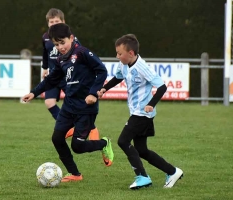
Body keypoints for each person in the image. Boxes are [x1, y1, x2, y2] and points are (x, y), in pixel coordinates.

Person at [22, 23, 114, 182]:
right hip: (68, 107)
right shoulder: (60, 59)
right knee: (57, 139)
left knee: (77, 147)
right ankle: (75, 174)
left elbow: (102, 71)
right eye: (57, 44)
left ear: (71, 38)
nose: (60, 47)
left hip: (86, 108)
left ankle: (103, 143)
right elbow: (51, 80)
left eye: (62, 42)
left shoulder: (83, 53)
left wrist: (93, 93)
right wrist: (34, 92)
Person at [97, 34, 183, 189]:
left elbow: (162, 87)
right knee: (141, 150)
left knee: (123, 141)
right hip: (136, 112)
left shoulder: (143, 67)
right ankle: (173, 171)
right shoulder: (123, 65)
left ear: (131, 53)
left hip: (142, 113)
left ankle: (142, 177)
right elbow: (118, 78)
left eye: (119, 53)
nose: (117, 56)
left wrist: (151, 104)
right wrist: (104, 88)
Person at [41, 8, 100, 140]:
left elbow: (79, 54)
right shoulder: (45, 38)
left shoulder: (70, 38)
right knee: (49, 103)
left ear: (63, 22)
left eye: (57, 21)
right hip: (54, 76)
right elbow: (45, 53)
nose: (54, 24)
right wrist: (45, 67)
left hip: (68, 77)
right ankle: (69, 127)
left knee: (76, 105)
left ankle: (92, 127)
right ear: (48, 23)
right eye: (51, 22)